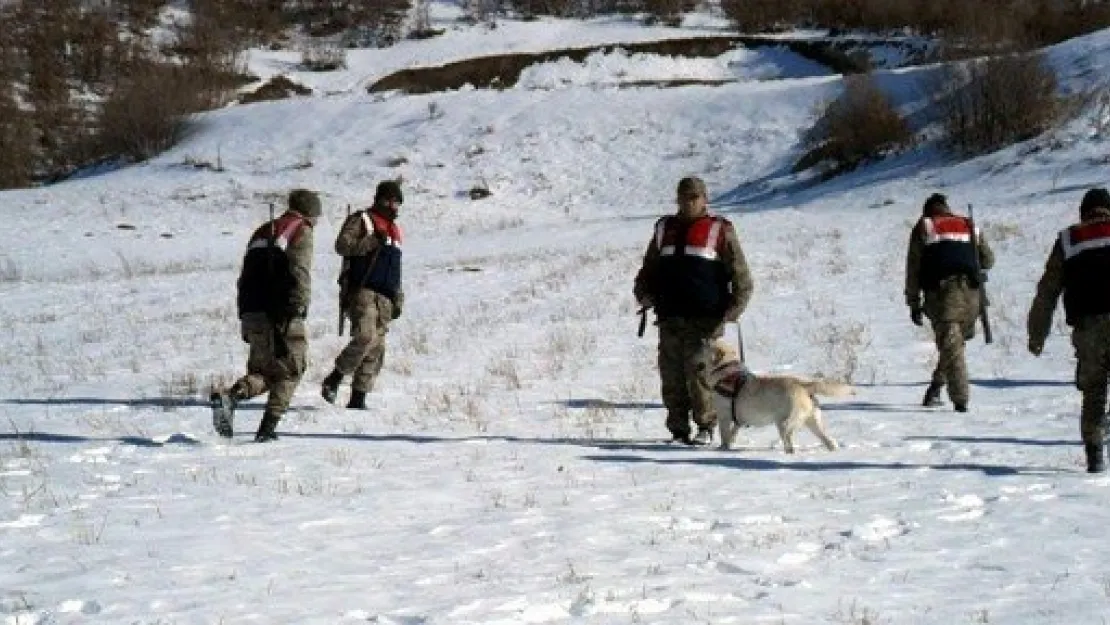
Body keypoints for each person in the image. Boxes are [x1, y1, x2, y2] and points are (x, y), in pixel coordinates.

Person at [633, 176, 754, 445]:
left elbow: (742, 277)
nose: (689, 202)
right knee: (671, 377)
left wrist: (734, 308)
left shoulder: (720, 230)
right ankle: (678, 430)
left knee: (701, 375)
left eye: (694, 197)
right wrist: (643, 293)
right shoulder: (664, 229)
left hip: (706, 319)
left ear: (704, 199)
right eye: (684, 197)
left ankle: (706, 427)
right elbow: (649, 269)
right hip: (669, 316)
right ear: (677, 198)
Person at [210, 189, 320, 442]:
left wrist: (244, 314)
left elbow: (245, 275)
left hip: (252, 309)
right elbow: (300, 271)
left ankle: (231, 397)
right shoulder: (301, 229)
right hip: (282, 312)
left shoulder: (263, 229)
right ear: (310, 212)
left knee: (266, 370)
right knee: (292, 369)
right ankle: (267, 430)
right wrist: (299, 307)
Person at [1027, 187, 1110, 473]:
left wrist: (1037, 334)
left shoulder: (1069, 239)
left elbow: (1047, 291)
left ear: (1083, 212)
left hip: (1088, 328)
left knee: (1094, 390)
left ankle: (1094, 453)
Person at [904, 193, 994, 412]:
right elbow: (988, 260)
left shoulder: (925, 226)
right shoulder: (968, 224)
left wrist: (914, 303)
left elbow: (913, 269)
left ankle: (960, 402)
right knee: (953, 344)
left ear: (927, 211)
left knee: (952, 346)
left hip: (943, 296)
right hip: (973, 296)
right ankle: (936, 387)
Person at [321, 180, 405, 409]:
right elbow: (342, 245)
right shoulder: (362, 220)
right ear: (378, 199)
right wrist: (369, 241)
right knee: (365, 337)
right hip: (363, 290)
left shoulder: (395, 231)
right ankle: (334, 378)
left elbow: (396, 268)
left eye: (397, 202)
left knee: (376, 348)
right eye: (389, 200)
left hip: (386, 296)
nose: (393, 206)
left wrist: (398, 297)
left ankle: (358, 400)